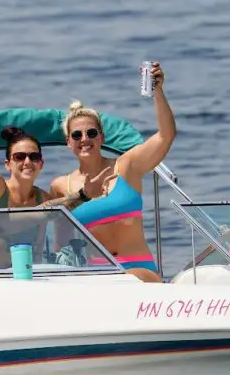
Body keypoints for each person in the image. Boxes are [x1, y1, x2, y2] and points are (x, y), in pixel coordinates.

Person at [49, 61, 178, 283]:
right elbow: (63, 246)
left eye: (91, 133)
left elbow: (166, 136)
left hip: (139, 270)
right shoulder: (61, 186)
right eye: (77, 136)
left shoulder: (126, 166)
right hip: (96, 276)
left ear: (102, 138)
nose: (85, 139)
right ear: (69, 142)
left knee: (126, 281)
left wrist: (158, 92)